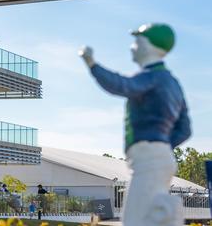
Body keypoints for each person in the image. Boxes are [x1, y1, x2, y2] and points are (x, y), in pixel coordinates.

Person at [79, 23, 191, 226]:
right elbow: (185, 129)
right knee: (151, 215)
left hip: (149, 159)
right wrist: (163, 144)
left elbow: (122, 85)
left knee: (135, 220)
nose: (132, 47)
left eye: (136, 42)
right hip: (161, 158)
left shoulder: (151, 77)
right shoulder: (173, 82)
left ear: (147, 46)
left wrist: (92, 64)